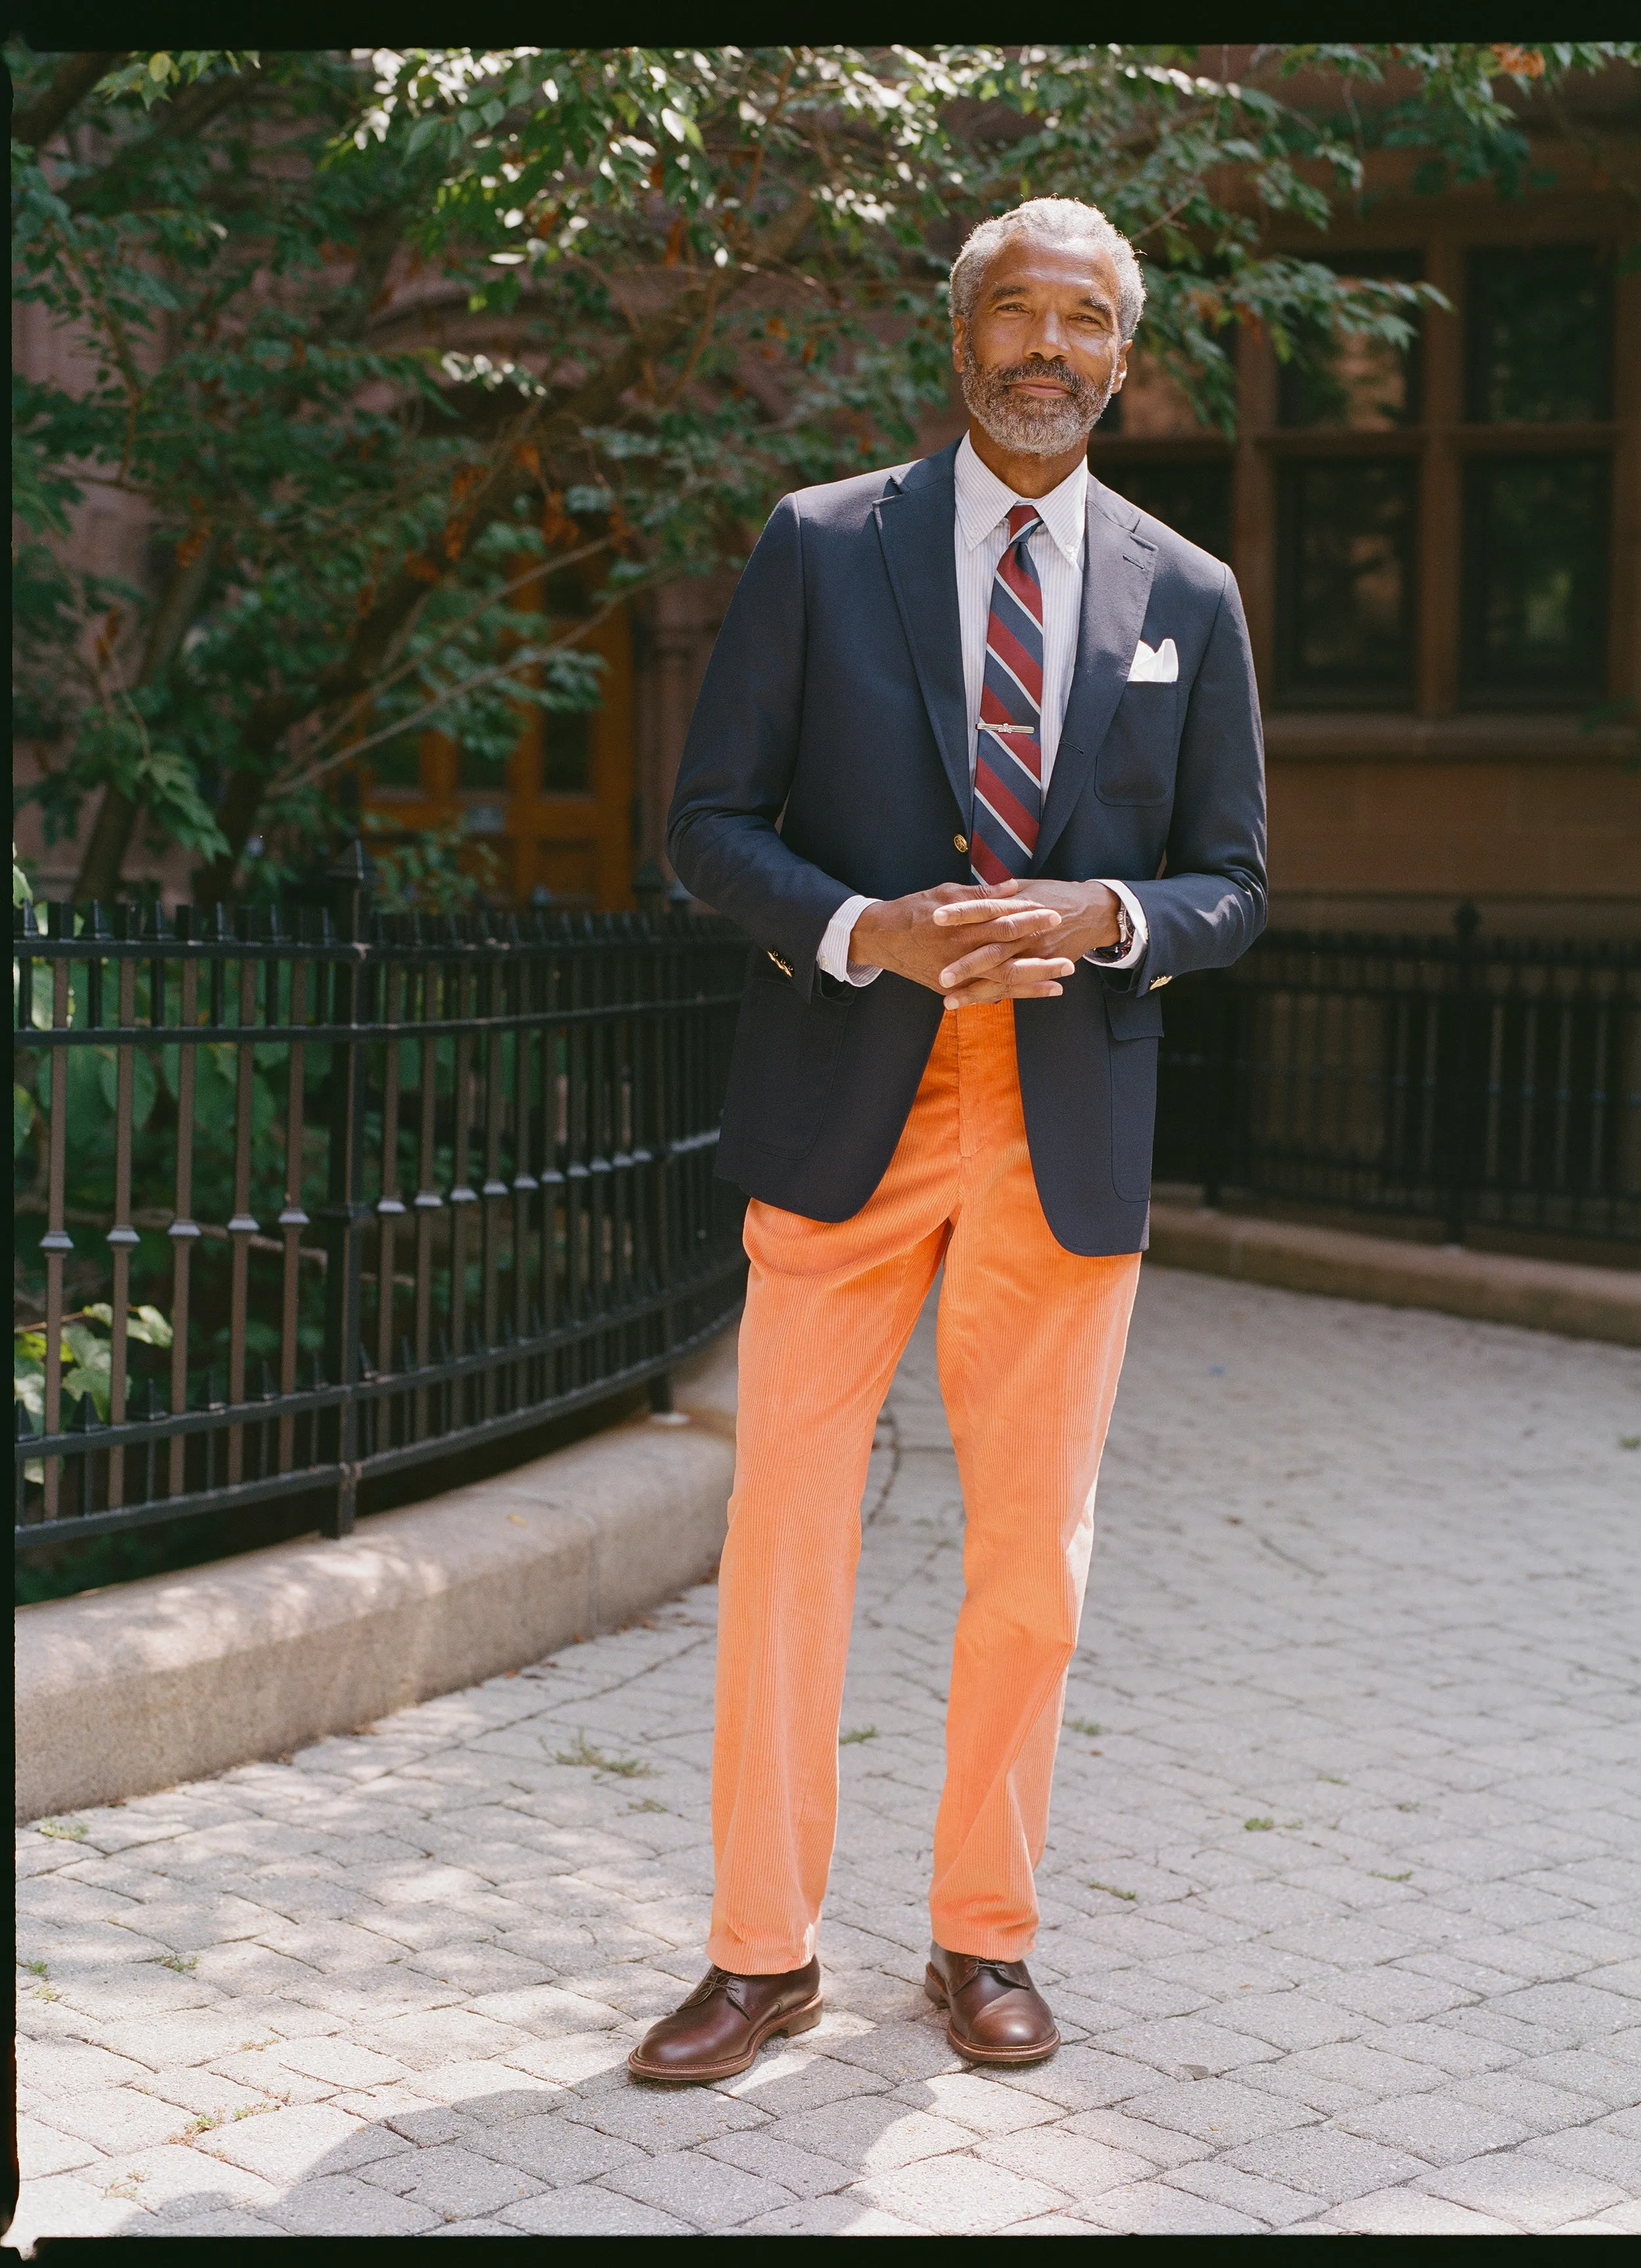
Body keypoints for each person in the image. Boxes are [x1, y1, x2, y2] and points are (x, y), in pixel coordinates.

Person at [630, 196, 1266, 2084]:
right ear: (961, 336)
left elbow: (1233, 883)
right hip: (846, 1111)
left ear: (1122, 360)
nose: (1046, 348)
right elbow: (708, 823)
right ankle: (761, 1956)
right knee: (789, 1535)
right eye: (1016, 313)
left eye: (1084, 319)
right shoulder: (826, 547)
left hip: (1060, 1131)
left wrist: (1105, 918)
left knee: (1031, 1563)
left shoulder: (1188, 594)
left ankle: (982, 1941)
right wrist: (863, 929)